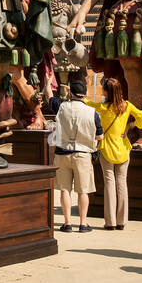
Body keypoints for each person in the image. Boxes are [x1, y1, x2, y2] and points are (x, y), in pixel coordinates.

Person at [86, 76, 142, 230]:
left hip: (107, 148)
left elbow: (86, 103)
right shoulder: (127, 106)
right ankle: (122, 221)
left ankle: (110, 222)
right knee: (122, 184)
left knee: (109, 183)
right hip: (123, 148)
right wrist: (130, 126)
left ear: (108, 92)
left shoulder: (102, 108)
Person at [49, 78, 100, 233]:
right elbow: (100, 136)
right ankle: (83, 224)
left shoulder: (61, 106)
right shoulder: (93, 112)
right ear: (85, 94)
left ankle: (67, 223)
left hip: (62, 153)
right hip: (83, 154)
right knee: (83, 190)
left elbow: (49, 97)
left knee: (65, 190)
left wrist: (47, 83)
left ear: (70, 93)